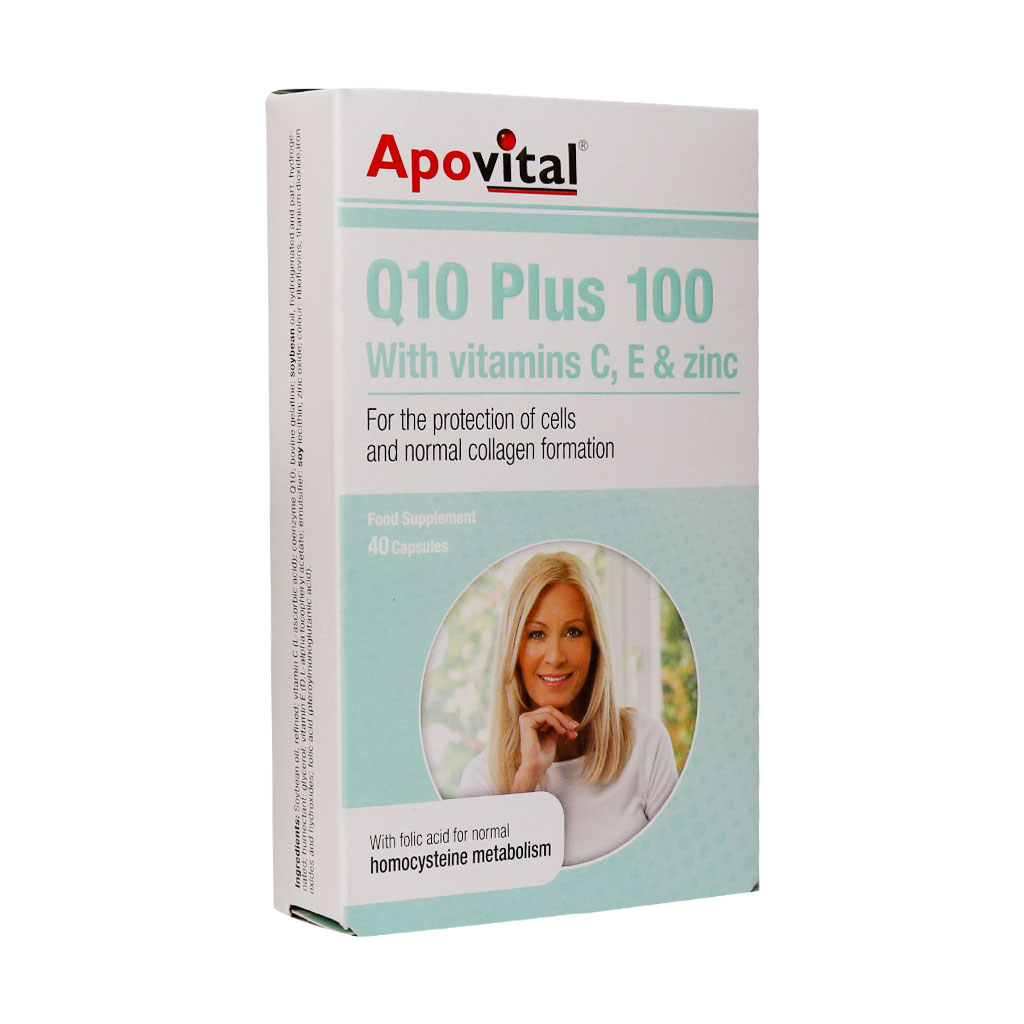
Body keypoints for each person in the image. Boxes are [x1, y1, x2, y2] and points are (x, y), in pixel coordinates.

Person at [457, 551, 678, 865]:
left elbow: (675, 868)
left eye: (573, 632)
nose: (555, 657)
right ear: (514, 650)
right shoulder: (482, 779)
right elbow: (494, 887)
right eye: (537, 634)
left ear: (594, 646)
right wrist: (527, 778)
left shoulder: (646, 743)